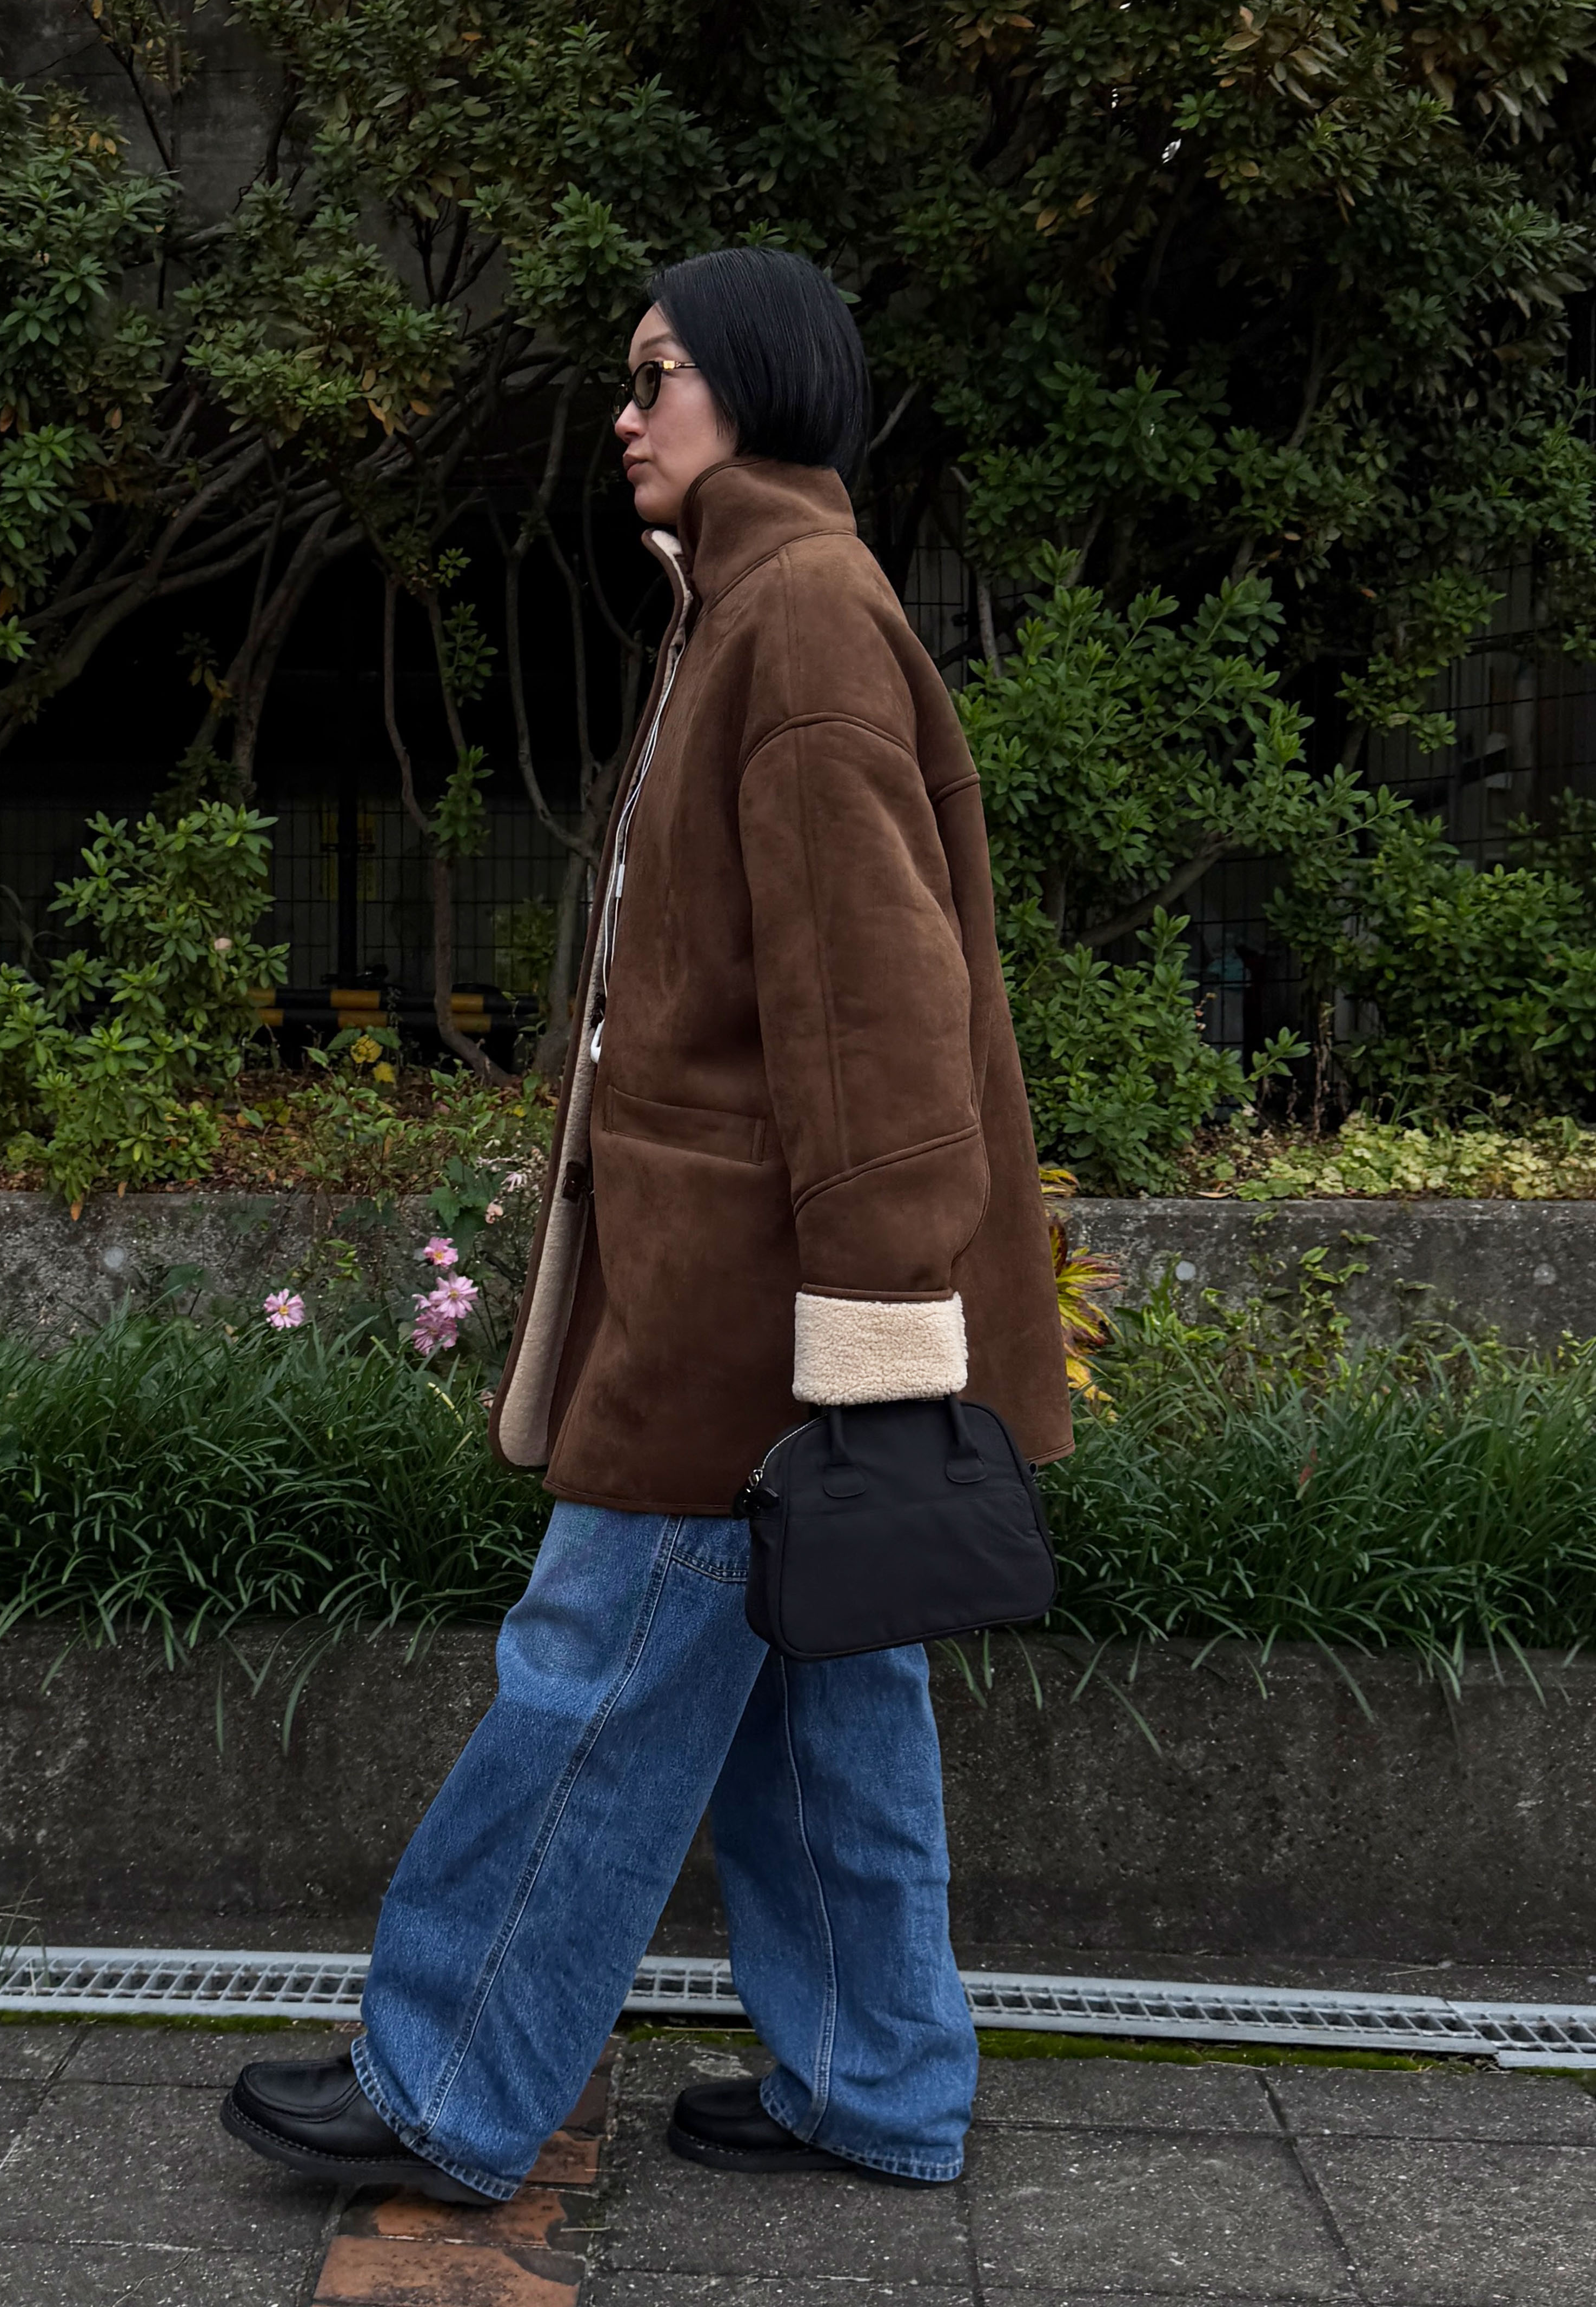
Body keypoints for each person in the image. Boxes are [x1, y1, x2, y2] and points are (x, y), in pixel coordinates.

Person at [221, 247, 1072, 2205]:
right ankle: (878, 2081)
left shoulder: (801, 619)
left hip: (746, 1307)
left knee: (589, 1683)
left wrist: (874, 1319)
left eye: (657, 373)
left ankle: (444, 2085)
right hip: (747, 1278)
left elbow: (873, 1005)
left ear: (754, 381)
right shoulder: (750, 606)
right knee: (823, 1700)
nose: (624, 414)